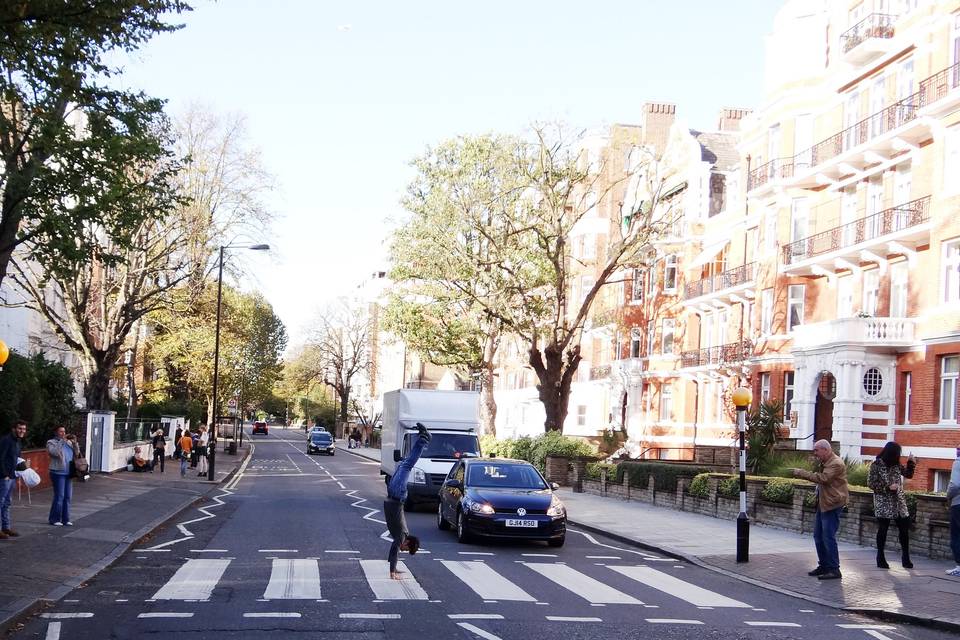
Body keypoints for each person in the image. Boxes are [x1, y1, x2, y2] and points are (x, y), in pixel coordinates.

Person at [792, 439, 849, 580]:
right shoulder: (827, 462)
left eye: (817, 450)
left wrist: (801, 473)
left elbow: (824, 478)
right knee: (818, 536)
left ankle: (834, 569)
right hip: (824, 504)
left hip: (832, 504)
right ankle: (824, 565)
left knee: (828, 537)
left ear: (825, 449)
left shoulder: (835, 463)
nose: (815, 453)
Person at [384, 423, 430, 580]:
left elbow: (394, 550)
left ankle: (421, 437)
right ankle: (424, 439)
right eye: (405, 549)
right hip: (397, 495)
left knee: (405, 464)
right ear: (407, 543)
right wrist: (392, 572)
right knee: (408, 465)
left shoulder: (403, 534)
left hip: (394, 494)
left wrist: (394, 567)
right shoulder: (403, 536)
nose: (401, 549)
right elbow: (394, 549)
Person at [868, 441, 916, 569]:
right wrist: (888, 487)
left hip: (898, 502)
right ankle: (880, 557)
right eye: (897, 453)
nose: (898, 456)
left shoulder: (896, 465)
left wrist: (911, 462)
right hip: (883, 502)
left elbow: (908, 475)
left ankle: (906, 557)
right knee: (883, 529)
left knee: (904, 529)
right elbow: (871, 484)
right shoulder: (876, 465)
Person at [46, 426, 80, 526]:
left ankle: (66, 519)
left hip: (68, 472)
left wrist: (74, 443)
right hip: (58, 472)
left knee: (68, 497)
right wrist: (62, 441)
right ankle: (54, 519)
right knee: (59, 496)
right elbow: (55, 453)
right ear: (56, 432)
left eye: (64, 431)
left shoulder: (69, 443)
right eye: (61, 431)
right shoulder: (51, 442)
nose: (63, 433)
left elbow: (77, 454)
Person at [0, 421, 27, 539]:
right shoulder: (6, 440)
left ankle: (6, 527)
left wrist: (23, 467)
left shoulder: (18, 442)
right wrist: (4, 474)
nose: (22, 431)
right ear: (13, 429)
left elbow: (16, 459)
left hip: (12, 476)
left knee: (7, 503)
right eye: (20, 428)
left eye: (24, 429)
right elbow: (0, 458)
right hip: (4, 477)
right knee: (0, 503)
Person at [947, 444, 960, 577]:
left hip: (958, 504)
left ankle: (959, 566)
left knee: (956, 535)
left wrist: (948, 496)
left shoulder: (958, 463)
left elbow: (955, 484)